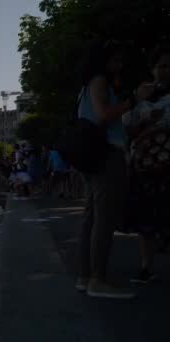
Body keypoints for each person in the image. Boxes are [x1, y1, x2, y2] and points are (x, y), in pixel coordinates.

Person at [76, 40, 135, 299]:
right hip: (106, 154)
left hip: (91, 155)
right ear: (103, 61)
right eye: (115, 60)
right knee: (104, 218)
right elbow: (103, 115)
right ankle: (98, 280)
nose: (118, 65)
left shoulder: (86, 86)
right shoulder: (99, 81)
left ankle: (85, 276)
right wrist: (133, 101)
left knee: (91, 217)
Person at [124, 45, 170, 284]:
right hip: (145, 165)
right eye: (160, 66)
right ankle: (146, 266)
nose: (164, 71)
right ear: (152, 69)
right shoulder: (142, 93)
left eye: (168, 66)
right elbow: (126, 126)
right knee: (146, 219)